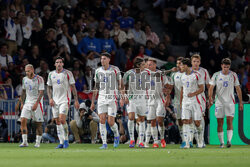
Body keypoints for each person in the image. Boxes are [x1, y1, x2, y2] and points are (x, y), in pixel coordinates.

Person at [90, 52, 125, 149]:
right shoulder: (97, 71)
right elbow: (96, 87)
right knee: (101, 120)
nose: (102, 60)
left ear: (109, 60)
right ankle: (104, 143)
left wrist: (122, 97)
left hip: (112, 98)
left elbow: (121, 85)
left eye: (104, 58)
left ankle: (116, 135)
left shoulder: (115, 70)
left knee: (110, 122)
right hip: (101, 98)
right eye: (101, 59)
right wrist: (93, 102)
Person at [208, 58, 243, 148]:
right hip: (219, 102)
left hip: (230, 102)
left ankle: (229, 141)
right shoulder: (216, 75)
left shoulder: (233, 75)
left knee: (229, 121)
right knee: (220, 122)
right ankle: (221, 142)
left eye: (227, 67)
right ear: (221, 66)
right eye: (224, 67)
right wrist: (210, 98)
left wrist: (241, 102)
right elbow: (211, 87)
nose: (226, 69)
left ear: (229, 66)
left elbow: (238, 88)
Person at [47, 56, 80, 149]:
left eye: (60, 62)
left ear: (63, 64)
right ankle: (61, 142)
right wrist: (50, 98)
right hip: (55, 101)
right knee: (57, 122)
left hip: (65, 100)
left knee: (62, 120)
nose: (59, 64)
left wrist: (76, 100)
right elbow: (48, 87)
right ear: (54, 64)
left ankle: (66, 140)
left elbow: (73, 87)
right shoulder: (51, 74)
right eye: (57, 62)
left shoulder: (68, 73)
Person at [123, 57, 148, 148]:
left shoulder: (146, 73)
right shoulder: (128, 74)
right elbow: (123, 86)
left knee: (141, 119)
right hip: (132, 98)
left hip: (142, 99)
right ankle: (132, 139)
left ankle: (141, 141)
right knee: (131, 117)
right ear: (138, 65)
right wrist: (124, 96)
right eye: (143, 65)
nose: (145, 66)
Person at [146, 58, 171, 148]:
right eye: (147, 64)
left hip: (160, 100)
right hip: (150, 100)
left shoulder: (161, 74)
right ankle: (156, 141)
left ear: (155, 65)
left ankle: (162, 138)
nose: (148, 66)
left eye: (150, 65)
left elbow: (168, 87)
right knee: (152, 121)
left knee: (160, 120)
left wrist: (167, 97)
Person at [180, 58, 204, 149]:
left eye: (182, 65)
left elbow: (202, 88)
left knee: (197, 123)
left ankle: (200, 140)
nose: (180, 67)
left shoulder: (197, 75)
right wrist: (181, 101)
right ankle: (186, 142)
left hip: (195, 101)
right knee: (185, 121)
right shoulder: (182, 76)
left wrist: (193, 94)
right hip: (185, 102)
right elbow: (182, 89)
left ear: (186, 66)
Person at [19, 64, 44, 147]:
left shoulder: (39, 79)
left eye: (28, 71)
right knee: (22, 120)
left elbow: (41, 92)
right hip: (27, 103)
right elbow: (23, 91)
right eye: (26, 71)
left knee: (38, 124)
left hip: (37, 103)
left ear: (33, 70)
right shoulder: (24, 79)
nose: (27, 73)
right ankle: (25, 141)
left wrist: (36, 103)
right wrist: (22, 103)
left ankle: (38, 142)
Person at [191, 54, 210, 147]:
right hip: (190, 99)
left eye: (197, 61)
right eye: (194, 61)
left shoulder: (204, 71)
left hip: (201, 98)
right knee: (193, 119)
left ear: (200, 62)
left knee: (200, 118)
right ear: (191, 62)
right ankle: (196, 139)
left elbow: (208, 86)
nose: (196, 63)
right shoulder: (187, 72)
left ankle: (201, 140)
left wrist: (210, 98)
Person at [170, 57, 184, 146]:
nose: (178, 65)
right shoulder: (173, 74)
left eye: (180, 63)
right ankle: (184, 139)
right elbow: (171, 87)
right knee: (179, 121)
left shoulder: (189, 74)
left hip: (187, 100)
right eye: (177, 63)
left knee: (188, 120)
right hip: (177, 100)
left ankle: (191, 139)